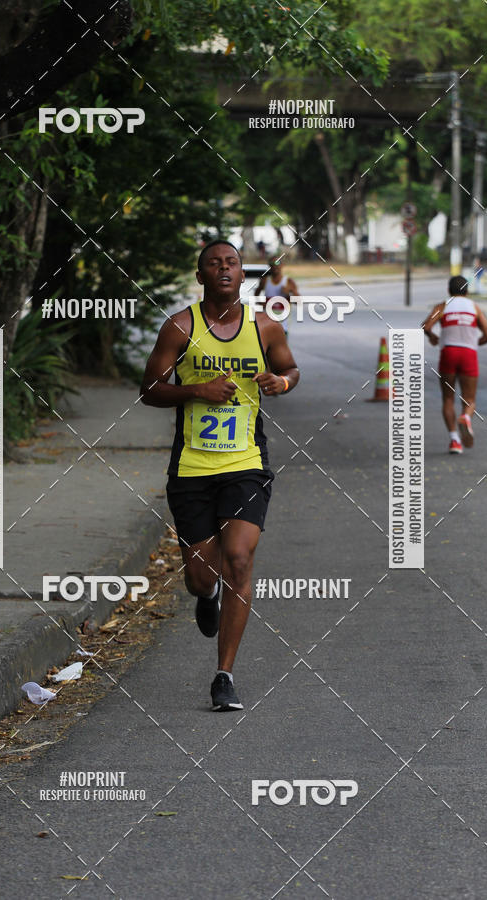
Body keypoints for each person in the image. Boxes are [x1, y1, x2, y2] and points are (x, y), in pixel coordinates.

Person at [140, 240, 299, 711]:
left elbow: (290, 367)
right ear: (201, 275)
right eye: (215, 263)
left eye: (231, 263)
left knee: (239, 561)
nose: (224, 269)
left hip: (246, 464)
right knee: (199, 575)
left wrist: (282, 382)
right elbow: (148, 389)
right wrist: (195, 390)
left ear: (241, 274)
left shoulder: (265, 327)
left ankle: (224, 675)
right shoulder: (180, 328)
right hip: (191, 467)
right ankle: (204, 594)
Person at [422, 275, 487, 454]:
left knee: (448, 398)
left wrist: (433, 337)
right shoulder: (474, 308)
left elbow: (426, 326)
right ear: (467, 292)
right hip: (468, 354)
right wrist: (474, 343)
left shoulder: (443, 306)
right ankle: (466, 417)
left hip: (448, 353)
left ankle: (454, 440)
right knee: (469, 400)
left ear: (448, 291)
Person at [255, 258, 299, 336]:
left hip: (282, 327)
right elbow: (255, 296)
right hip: (267, 325)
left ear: (282, 265)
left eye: (278, 264)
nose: (275, 267)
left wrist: (289, 293)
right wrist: (262, 304)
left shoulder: (288, 281)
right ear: (269, 266)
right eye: (272, 264)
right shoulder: (265, 280)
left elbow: (298, 302)